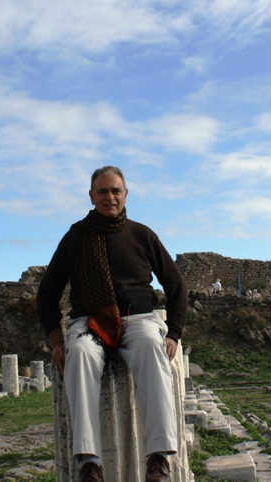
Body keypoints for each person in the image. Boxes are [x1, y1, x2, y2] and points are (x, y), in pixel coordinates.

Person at [37, 166, 187, 482]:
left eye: (115, 191)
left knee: (151, 347)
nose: (110, 197)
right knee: (78, 355)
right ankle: (90, 463)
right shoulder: (75, 238)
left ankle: (158, 459)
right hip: (89, 321)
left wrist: (173, 333)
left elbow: (176, 285)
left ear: (125, 194)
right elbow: (47, 292)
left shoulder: (142, 235)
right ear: (91, 196)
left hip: (139, 318)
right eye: (102, 191)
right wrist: (55, 340)